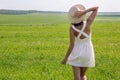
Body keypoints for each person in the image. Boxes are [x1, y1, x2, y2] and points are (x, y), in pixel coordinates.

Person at [61, 4, 98, 80]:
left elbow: (71, 45)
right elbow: (96, 8)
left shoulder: (72, 28)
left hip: (77, 52)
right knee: (82, 75)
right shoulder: (88, 23)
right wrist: (84, 11)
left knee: (77, 77)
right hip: (88, 52)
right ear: (81, 15)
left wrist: (65, 58)